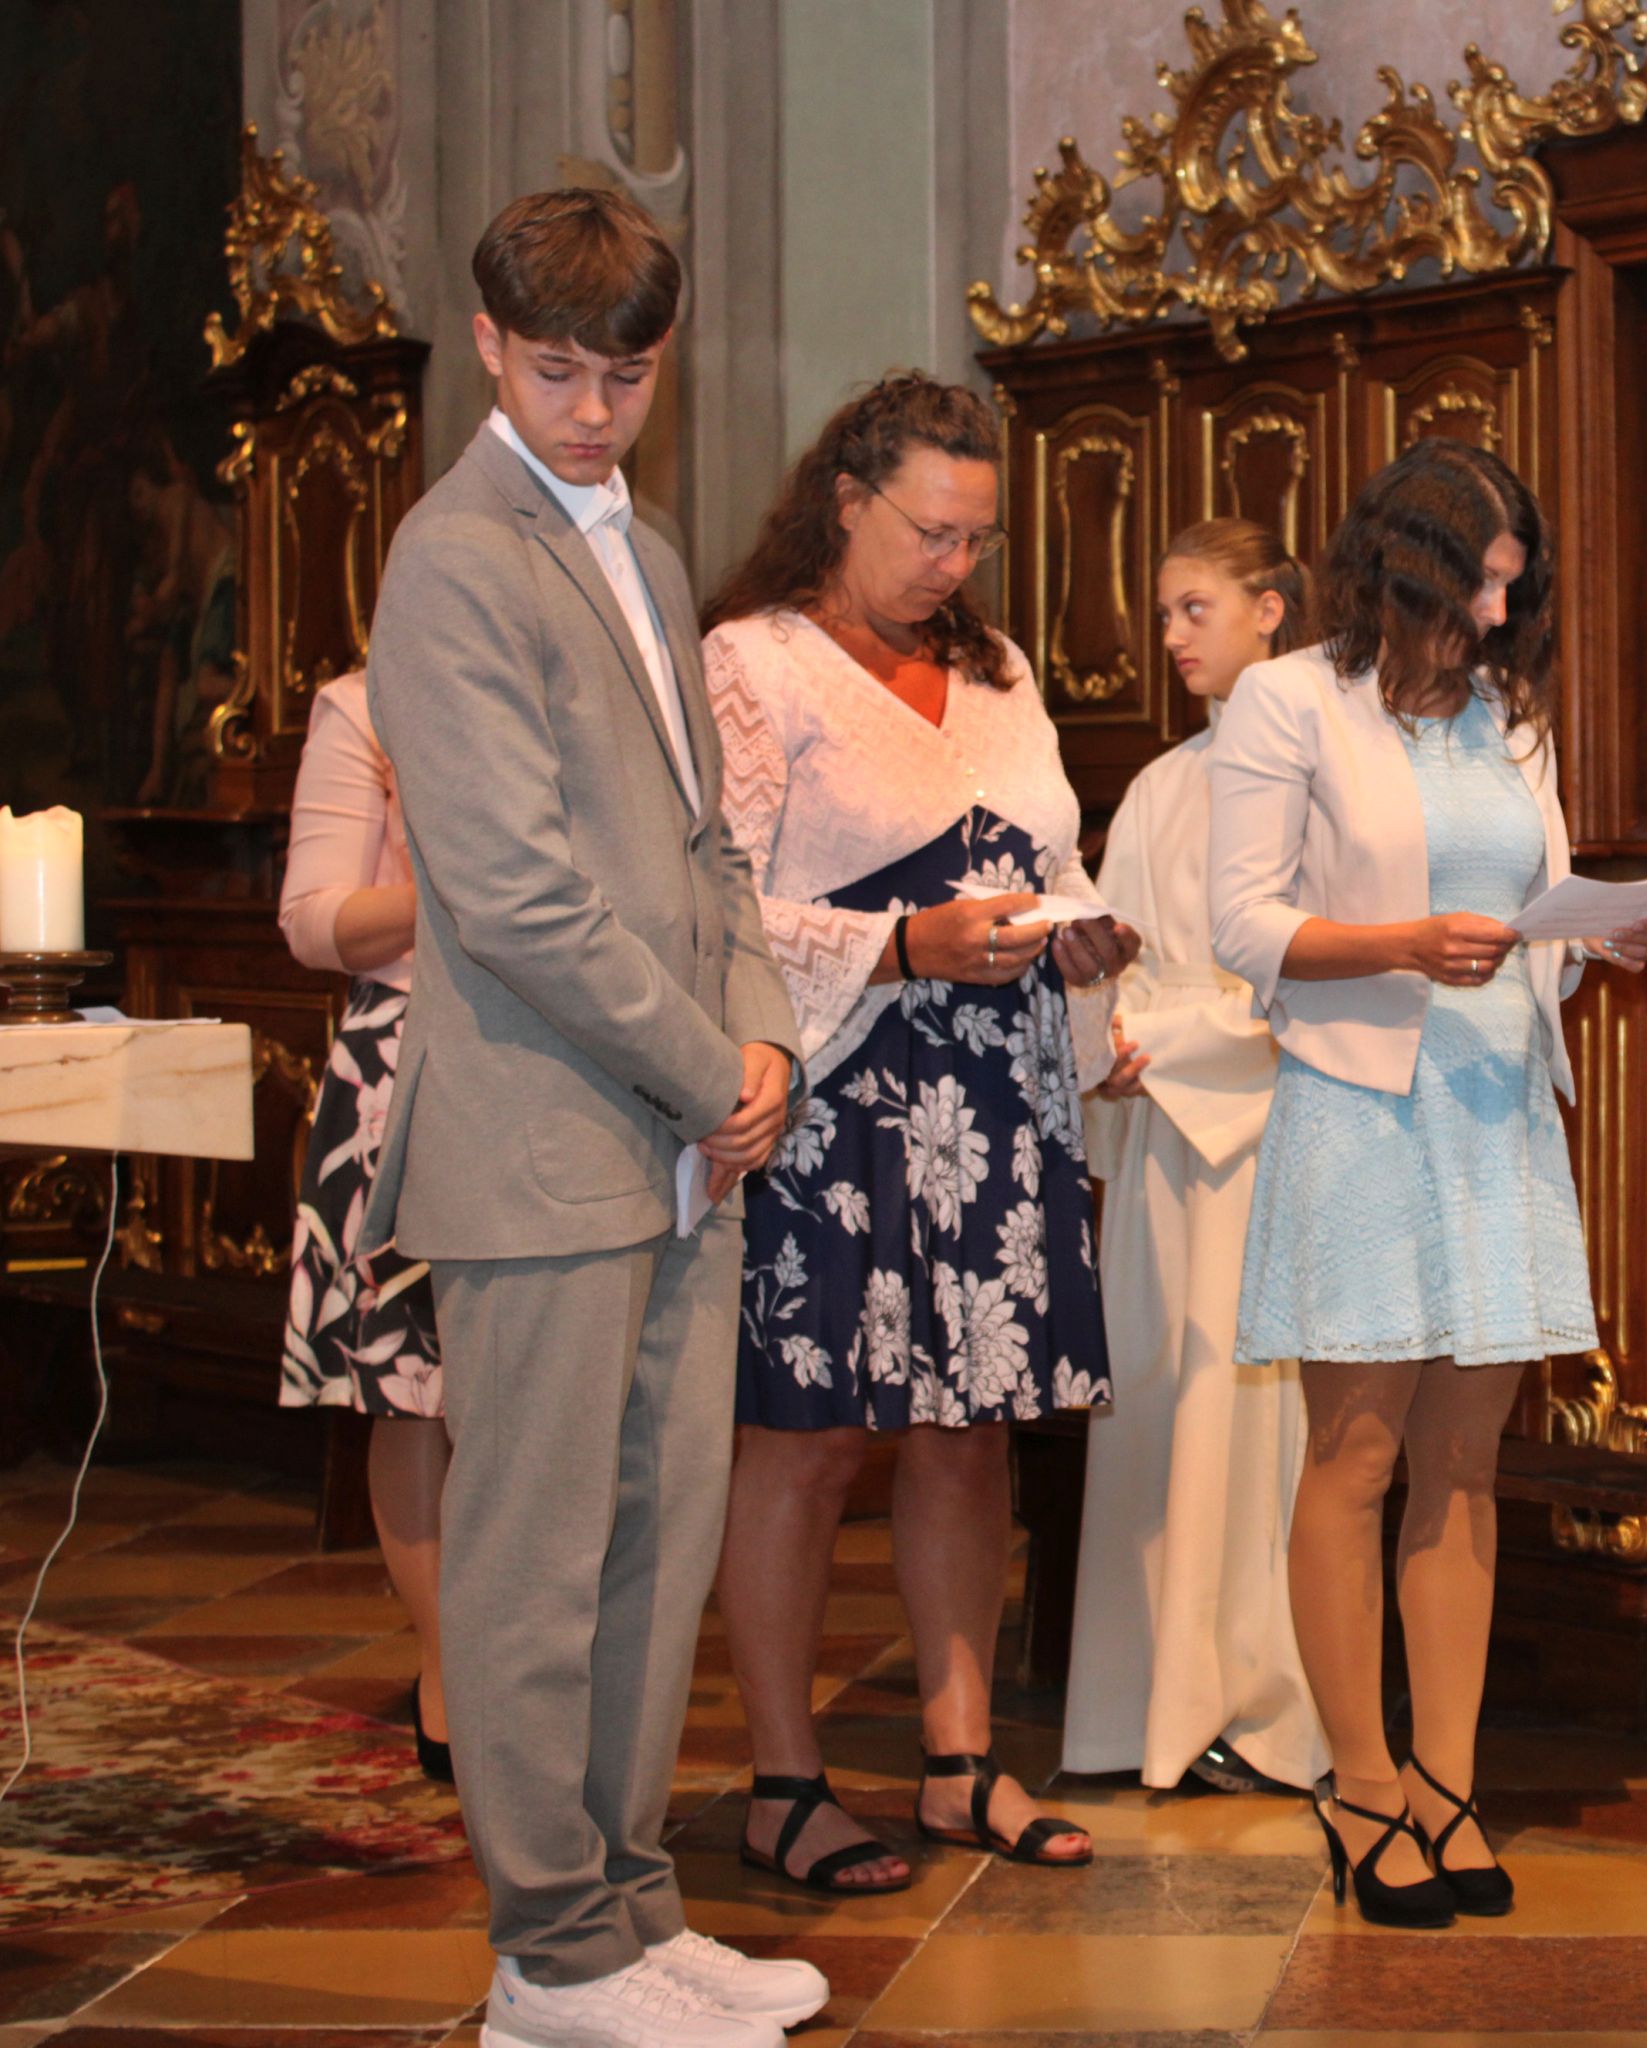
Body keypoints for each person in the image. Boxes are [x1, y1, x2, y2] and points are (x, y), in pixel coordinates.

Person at [360, 188, 826, 2048]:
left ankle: (629, 1910)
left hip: (683, 1136)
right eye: (555, 372)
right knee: (535, 1564)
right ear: (488, 346)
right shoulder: (453, 557)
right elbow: (511, 894)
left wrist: (764, 1037)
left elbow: (709, 848)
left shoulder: (641, 541)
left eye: (624, 378)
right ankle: (547, 1956)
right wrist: (707, 1068)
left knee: (656, 1539)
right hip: (548, 1138)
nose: (590, 411)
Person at [1209, 439, 1647, 1929]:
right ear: (1405, 567)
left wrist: (1603, 934)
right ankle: (1359, 1782)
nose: (1497, 611)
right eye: (1477, 582)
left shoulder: (1511, 717)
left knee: (1465, 1470)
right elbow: (1242, 925)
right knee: (1354, 1461)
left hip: (1494, 1108)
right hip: (1360, 1106)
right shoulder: (1291, 700)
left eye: (1514, 586)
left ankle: (1447, 1782)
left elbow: (1537, 907)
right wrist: (1403, 943)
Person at [701, 371, 1132, 1895]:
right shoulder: (754, 663)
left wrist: (1080, 937)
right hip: (835, 1093)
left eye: (976, 539)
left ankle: (960, 1765)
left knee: (969, 1428)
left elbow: (1050, 853)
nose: (956, 564)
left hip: (996, 1090)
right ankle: (783, 1783)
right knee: (808, 1435)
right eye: (931, 532)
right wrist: (899, 947)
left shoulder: (997, 670)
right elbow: (713, 905)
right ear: (846, 501)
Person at [1061, 518, 1330, 1798]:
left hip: (1264, 1139)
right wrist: (1102, 1043)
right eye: (1162, 611)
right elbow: (1110, 952)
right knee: (1157, 1413)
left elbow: (1309, 972)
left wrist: (1163, 1037)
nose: (1169, 635)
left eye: (1193, 608)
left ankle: (1261, 1705)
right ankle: (1141, 1704)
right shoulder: (1163, 784)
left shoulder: (1323, 768)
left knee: (1248, 1414)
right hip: (1163, 1134)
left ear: (1271, 608)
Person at [276, 668, 447, 1787]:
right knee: (414, 1383)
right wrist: (469, 890)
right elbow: (312, 921)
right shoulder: (370, 702)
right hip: (408, 1058)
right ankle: (451, 1669)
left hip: (576, 1057)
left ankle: (545, 1665)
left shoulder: (589, 681)